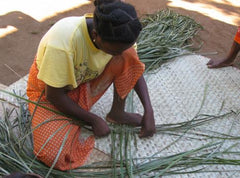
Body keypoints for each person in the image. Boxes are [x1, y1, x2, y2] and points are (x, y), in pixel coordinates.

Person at [26, 1, 155, 170]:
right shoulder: (63, 43)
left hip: (83, 79)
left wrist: (148, 109)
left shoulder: (122, 33)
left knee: (127, 55)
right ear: (95, 35)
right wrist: (92, 119)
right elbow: (54, 95)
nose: (119, 54)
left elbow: (132, 65)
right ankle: (77, 114)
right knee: (53, 156)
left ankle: (117, 112)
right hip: (50, 92)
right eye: (114, 51)